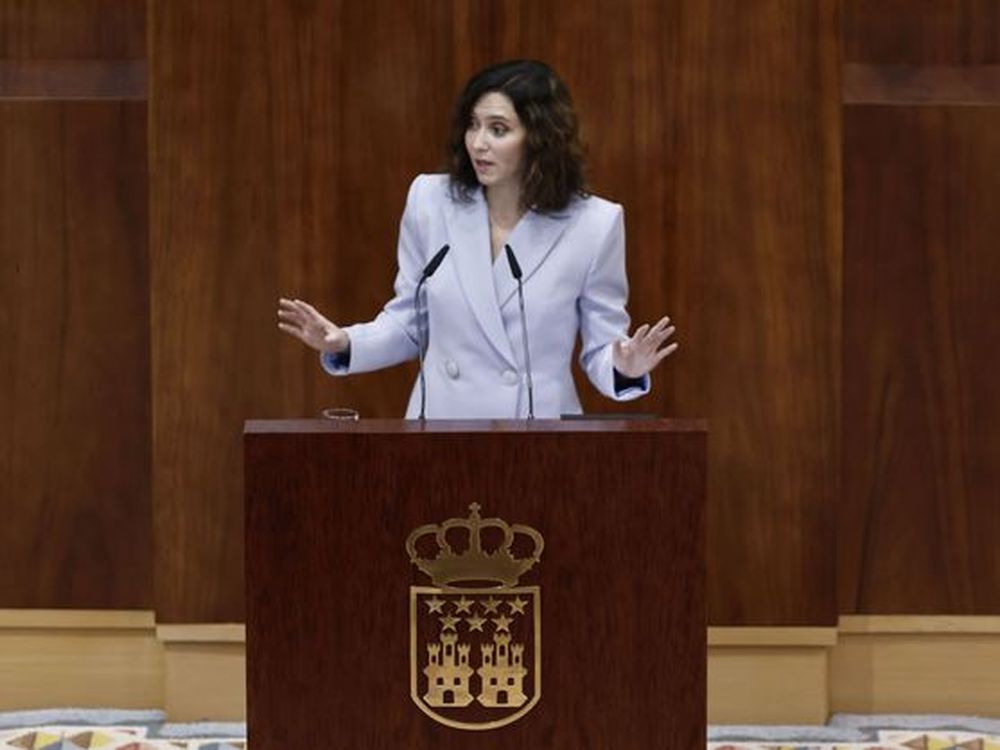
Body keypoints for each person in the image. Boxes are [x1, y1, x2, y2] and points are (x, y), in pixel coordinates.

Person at [278, 59, 677, 419]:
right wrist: (344, 342)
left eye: (498, 129)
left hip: (537, 437)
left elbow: (602, 347)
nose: (478, 142)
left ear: (540, 137)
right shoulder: (430, 200)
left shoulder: (594, 224)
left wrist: (625, 367)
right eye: (473, 124)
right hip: (442, 429)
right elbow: (410, 323)